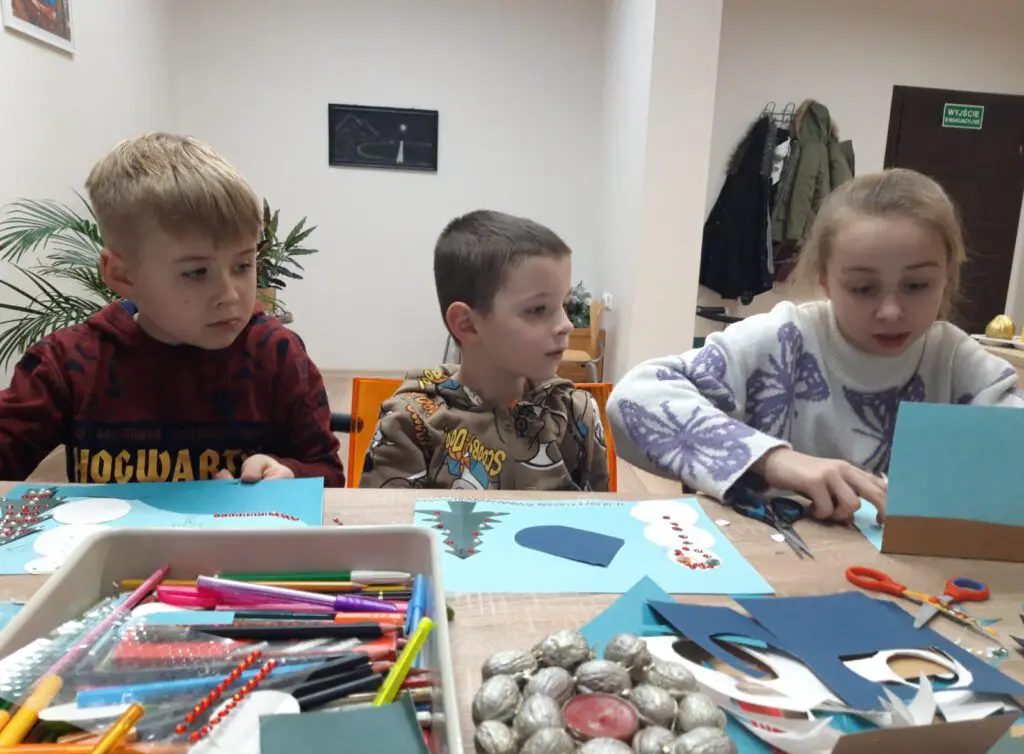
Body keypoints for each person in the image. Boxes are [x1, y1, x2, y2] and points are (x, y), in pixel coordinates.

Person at [608, 168, 1021, 522]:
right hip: (768, 562)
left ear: (947, 276)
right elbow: (631, 400)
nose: (891, 311)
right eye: (863, 288)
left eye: (916, 285)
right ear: (825, 281)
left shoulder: (958, 362)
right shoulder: (782, 340)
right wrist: (774, 460)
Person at [0, 132, 345, 486]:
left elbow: (327, 473)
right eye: (196, 272)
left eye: (243, 265)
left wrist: (289, 473)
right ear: (123, 275)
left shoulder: (276, 355)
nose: (230, 295)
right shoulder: (69, 363)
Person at [359, 210, 609, 491]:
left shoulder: (576, 412)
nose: (566, 325)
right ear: (468, 325)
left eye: (565, 305)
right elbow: (389, 519)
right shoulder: (411, 424)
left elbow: (602, 513)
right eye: (538, 309)